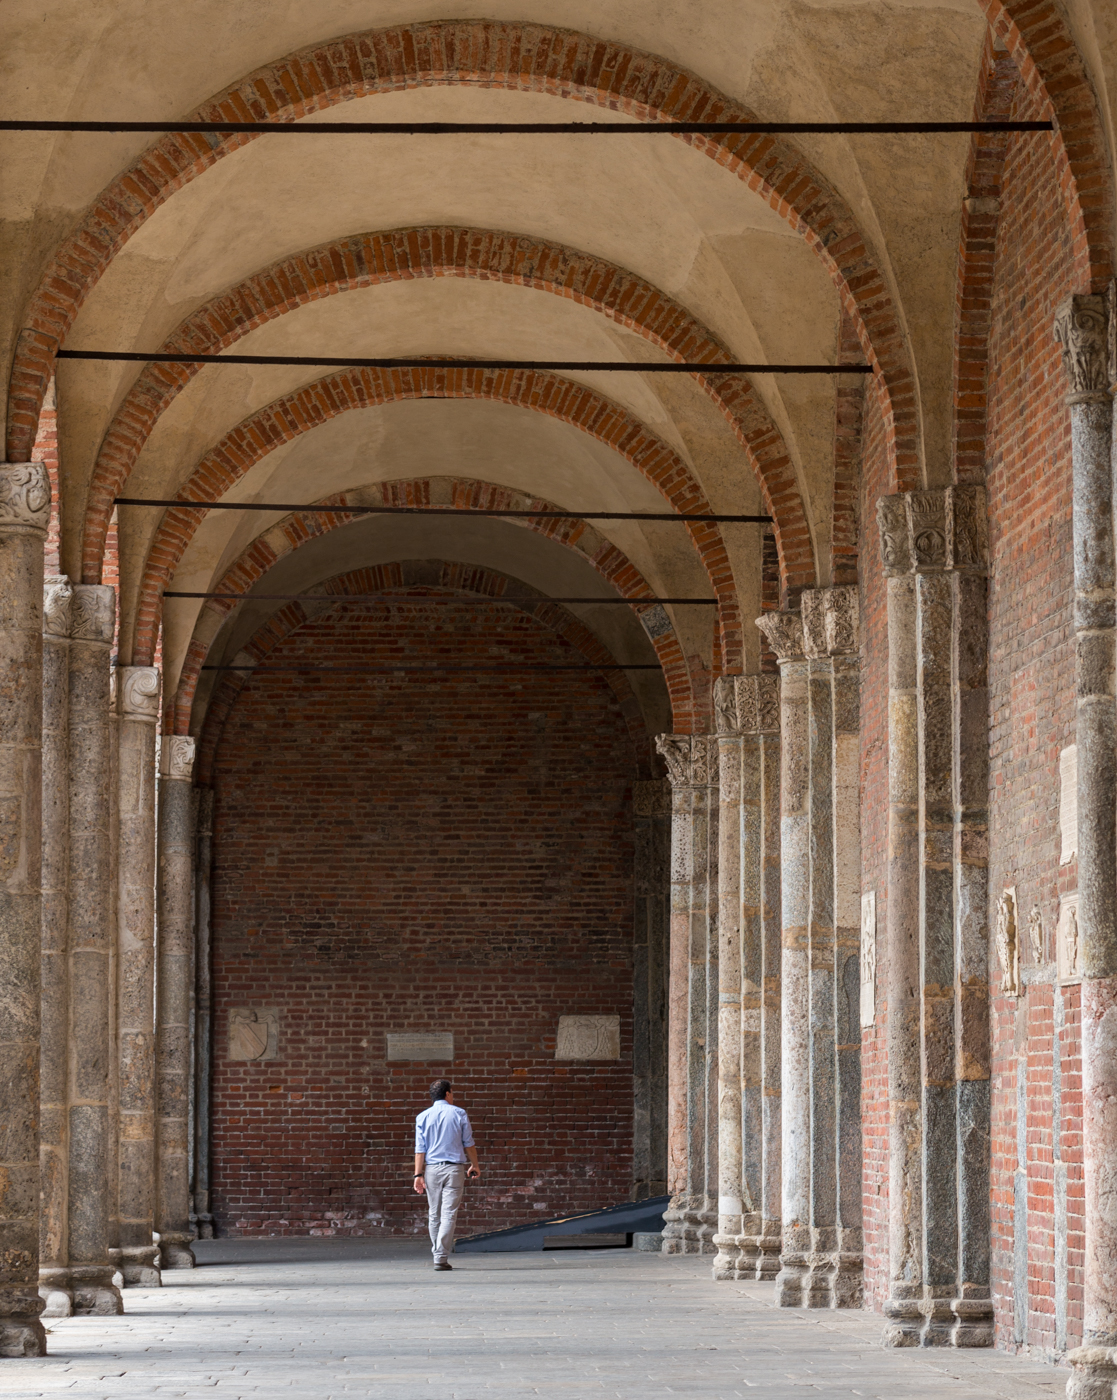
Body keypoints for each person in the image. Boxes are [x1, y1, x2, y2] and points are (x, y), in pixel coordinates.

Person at [413, 1079, 481, 1270]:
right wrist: (474, 1164)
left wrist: (418, 1175)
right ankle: (440, 1257)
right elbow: (469, 1142)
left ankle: (438, 1254)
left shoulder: (422, 1117)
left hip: (432, 1170)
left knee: (434, 1214)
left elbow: (420, 1149)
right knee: (449, 1213)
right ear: (448, 1094)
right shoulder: (459, 1113)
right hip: (454, 1169)